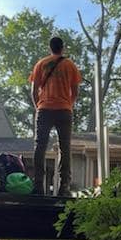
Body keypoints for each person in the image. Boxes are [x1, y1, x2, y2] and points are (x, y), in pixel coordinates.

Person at [29, 36, 82, 197]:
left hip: (44, 109)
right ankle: (64, 188)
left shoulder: (41, 64)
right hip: (64, 110)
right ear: (62, 48)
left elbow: (34, 90)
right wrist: (68, 105)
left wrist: (39, 106)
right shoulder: (70, 65)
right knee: (65, 148)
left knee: (40, 146)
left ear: (50, 48)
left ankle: (38, 186)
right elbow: (75, 91)